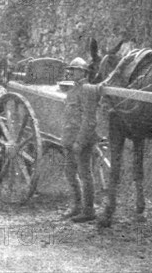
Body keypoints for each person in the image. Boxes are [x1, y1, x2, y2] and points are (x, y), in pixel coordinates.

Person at [62, 57, 98, 223]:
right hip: (70, 139)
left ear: (83, 72)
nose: (72, 72)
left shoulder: (87, 90)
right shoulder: (72, 91)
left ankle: (89, 210)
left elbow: (89, 120)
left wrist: (80, 142)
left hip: (82, 140)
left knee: (85, 174)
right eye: (72, 69)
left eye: (76, 70)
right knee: (70, 173)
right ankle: (76, 206)